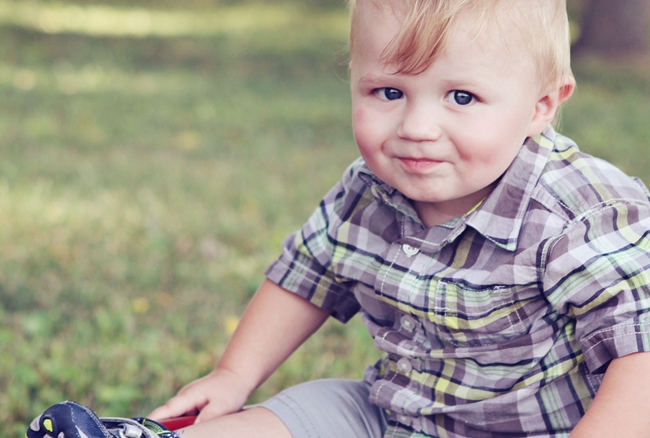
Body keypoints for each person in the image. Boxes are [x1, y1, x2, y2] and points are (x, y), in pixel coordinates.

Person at [27, 0, 650, 437]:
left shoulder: (577, 211)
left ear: (541, 104)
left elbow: (639, 352)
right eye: (388, 92)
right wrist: (233, 374)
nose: (416, 127)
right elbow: (307, 274)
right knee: (307, 410)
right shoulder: (367, 191)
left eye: (461, 98)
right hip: (398, 417)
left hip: (546, 427)